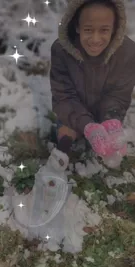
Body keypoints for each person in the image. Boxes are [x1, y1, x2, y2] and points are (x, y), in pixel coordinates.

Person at [49, 0, 135, 171]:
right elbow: (64, 96)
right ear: (77, 27)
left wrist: (111, 120)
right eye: (88, 30)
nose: (95, 39)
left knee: (110, 140)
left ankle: (106, 128)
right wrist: (88, 126)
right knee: (67, 135)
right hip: (74, 111)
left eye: (104, 30)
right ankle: (67, 144)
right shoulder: (61, 50)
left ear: (115, 27)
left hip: (105, 112)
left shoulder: (128, 51)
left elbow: (119, 93)